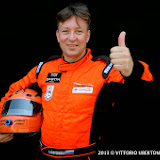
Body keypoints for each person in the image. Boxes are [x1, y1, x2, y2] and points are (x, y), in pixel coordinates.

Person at [0, 2, 154, 160]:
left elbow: (145, 87)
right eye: (65, 31)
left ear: (87, 36)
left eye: (78, 31)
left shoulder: (104, 70)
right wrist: (3, 126)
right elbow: (13, 92)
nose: (71, 38)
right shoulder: (43, 69)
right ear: (58, 35)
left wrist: (132, 69)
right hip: (43, 156)